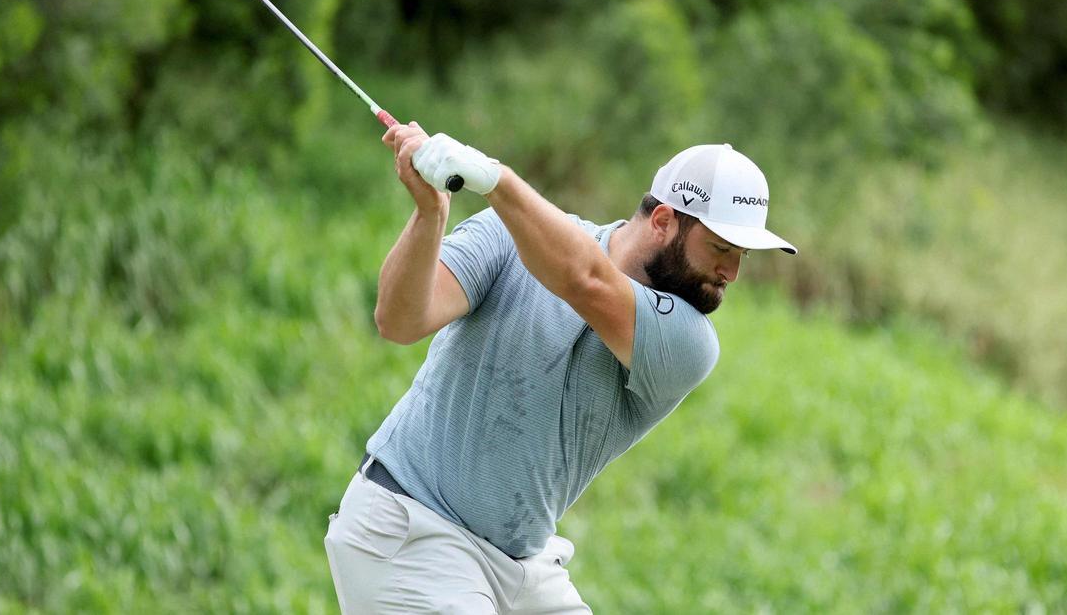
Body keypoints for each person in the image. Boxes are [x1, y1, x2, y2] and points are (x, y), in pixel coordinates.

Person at [324, 123, 796, 614]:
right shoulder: (506, 234)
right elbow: (399, 321)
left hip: (519, 563)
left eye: (741, 255)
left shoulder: (690, 342)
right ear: (662, 221)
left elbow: (586, 280)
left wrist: (494, 179)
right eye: (721, 248)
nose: (732, 274)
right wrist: (429, 213)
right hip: (410, 530)